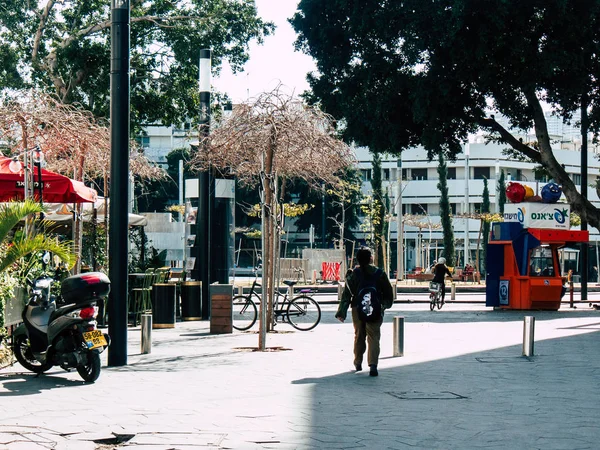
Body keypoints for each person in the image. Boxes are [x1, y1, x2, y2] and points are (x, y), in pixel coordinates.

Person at [335, 247, 394, 377]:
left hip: (357, 308)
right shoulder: (380, 274)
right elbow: (389, 293)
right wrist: (383, 306)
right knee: (374, 336)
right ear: (371, 258)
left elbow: (346, 295)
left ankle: (358, 362)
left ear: (357, 259)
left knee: (359, 335)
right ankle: (373, 365)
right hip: (375, 308)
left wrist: (341, 312)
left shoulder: (354, 274)